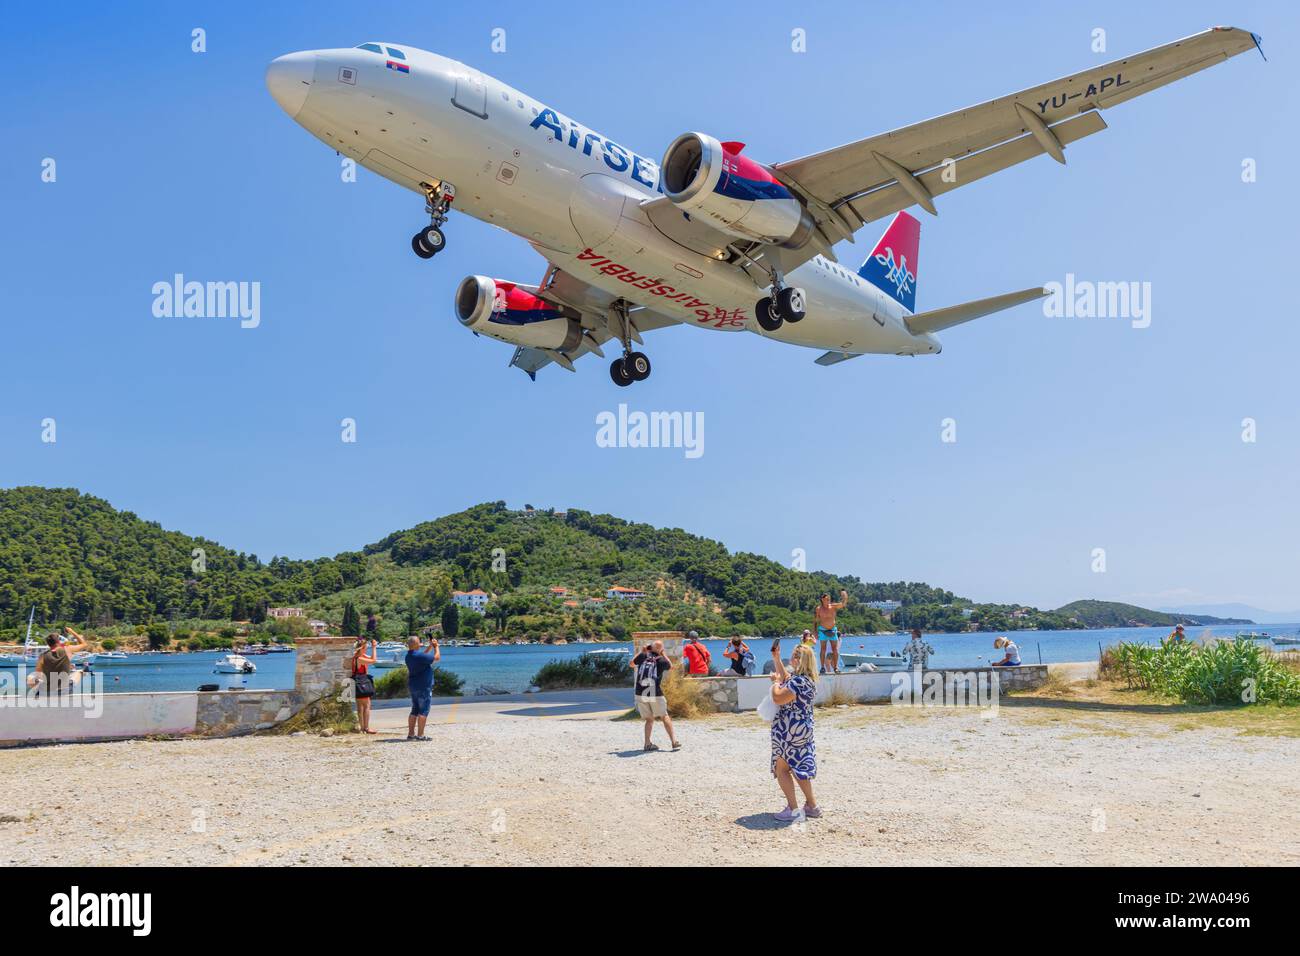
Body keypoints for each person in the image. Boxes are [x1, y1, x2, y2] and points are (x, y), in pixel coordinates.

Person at [768, 639, 820, 822]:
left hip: (789, 729)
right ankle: (812, 806)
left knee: (782, 768)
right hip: (803, 728)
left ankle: (792, 808)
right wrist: (777, 658)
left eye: (793, 656)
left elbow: (778, 698)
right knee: (799, 767)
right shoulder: (808, 681)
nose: (791, 658)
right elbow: (787, 678)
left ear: (799, 659)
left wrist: (775, 683)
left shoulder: (797, 682)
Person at [630, 640, 680, 752]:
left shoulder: (643, 656)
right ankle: (673, 742)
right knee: (664, 716)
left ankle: (647, 744)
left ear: (650, 648)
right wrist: (663, 654)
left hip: (640, 691)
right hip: (654, 692)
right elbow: (671, 667)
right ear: (661, 649)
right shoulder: (662, 660)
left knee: (649, 719)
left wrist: (641, 651)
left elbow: (631, 664)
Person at [404, 635, 441, 740]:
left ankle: (411, 734)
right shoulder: (419, 656)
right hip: (424, 686)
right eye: (419, 642)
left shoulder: (410, 655)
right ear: (416, 644)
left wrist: (430, 646)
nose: (420, 643)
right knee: (423, 710)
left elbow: (423, 656)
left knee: (414, 710)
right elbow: (437, 658)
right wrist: (436, 647)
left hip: (413, 686)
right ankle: (420, 735)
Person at [35, 627, 87, 695]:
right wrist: (71, 631)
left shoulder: (42, 656)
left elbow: (38, 673)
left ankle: (38, 692)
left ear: (48, 644)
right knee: (79, 672)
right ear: (58, 642)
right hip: (65, 689)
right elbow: (84, 644)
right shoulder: (67, 649)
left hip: (48, 690)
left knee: (30, 678)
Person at [814, 590, 849, 674]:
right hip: (822, 630)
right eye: (826, 599)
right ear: (822, 599)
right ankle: (822, 667)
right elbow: (815, 620)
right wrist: (815, 632)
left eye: (829, 599)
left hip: (833, 630)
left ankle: (836, 667)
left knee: (835, 649)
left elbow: (843, 604)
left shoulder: (833, 606)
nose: (828, 600)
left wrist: (845, 596)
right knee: (823, 649)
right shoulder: (819, 609)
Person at [351, 638, 379, 734]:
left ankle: (362, 728)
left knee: (360, 706)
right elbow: (374, 660)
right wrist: (374, 647)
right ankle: (366, 728)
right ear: (361, 648)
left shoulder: (356, 657)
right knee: (366, 705)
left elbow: (371, 658)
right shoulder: (360, 659)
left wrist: (372, 649)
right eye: (365, 648)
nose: (366, 649)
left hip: (356, 683)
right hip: (362, 683)